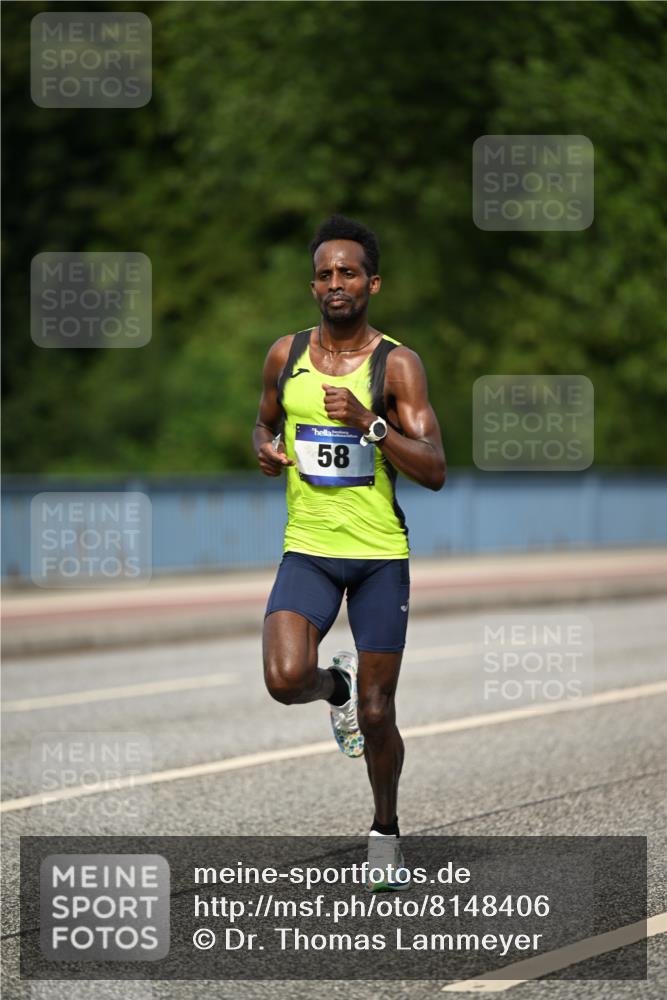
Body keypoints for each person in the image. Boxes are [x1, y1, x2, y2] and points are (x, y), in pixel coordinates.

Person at [253, 214, 445, 891]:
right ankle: (328, 686)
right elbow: (265, 420)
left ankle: (384, 829)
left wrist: (368, 422)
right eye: (325, 274)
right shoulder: (286, 354)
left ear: (372, 283)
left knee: (377, 713)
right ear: (314, 286)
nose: (336, 283)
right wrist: (264, 448)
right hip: (306, 548)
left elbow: (433, 468)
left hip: (376, 558)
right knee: (283, 680)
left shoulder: (397, 364)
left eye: (349, 273)